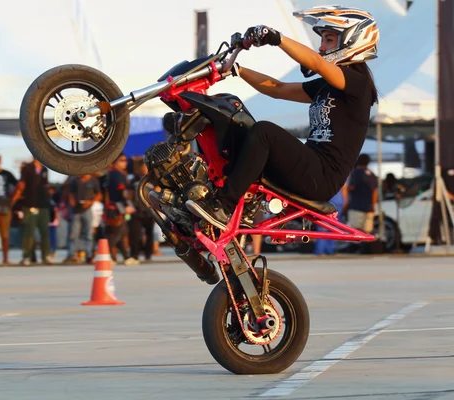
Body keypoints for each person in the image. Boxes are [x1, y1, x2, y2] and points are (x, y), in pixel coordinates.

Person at [186, 6, 380, 229]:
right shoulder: (326, 86)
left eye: (328, 39)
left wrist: (276, 38)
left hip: (322, 176)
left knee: (265, 132)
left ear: (352, 41)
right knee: (240, 126)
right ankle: (206, 195)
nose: (321, 47)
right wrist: (236, 70)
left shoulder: (358, 85)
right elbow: (277, 88)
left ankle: (223, 207)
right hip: (310, 165)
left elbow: (317, 63)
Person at [11, 158, 54, 266]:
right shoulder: (27, 168)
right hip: (29, 204)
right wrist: (14, 200)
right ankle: (27, 256)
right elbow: (21, 185)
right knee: (28, 232)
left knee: (45, 232)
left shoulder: (44, 169)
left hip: (43, 205)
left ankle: (46, 256)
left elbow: (46, 186)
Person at [103, 154, 140, 266]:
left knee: (122, 232)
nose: (125, 163)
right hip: (117, 208)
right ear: (114, 163)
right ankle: (106, 255)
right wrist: (126, 205)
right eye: (121, 161)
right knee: (117, 234)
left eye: (125, 160)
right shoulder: (117, 175)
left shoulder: (110, 175)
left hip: (113, 207)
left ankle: (126, 257)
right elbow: (121, 193)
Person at [64, 174, 102, 264]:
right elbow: (70, 194)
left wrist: (91, 202)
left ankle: (89, 254)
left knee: (88, 233)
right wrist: (72, 202)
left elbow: (99, 194)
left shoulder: (93, 181)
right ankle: (72, 255)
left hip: (88, 209)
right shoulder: (74, 180)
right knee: (74, 233)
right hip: (76, 210)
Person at [128, 159, 155, 261]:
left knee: (149, 234)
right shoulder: (134, 179)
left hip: (149, 210)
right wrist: (130, 205)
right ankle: (134, 254)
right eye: (143, 166)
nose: (144, 169)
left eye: (146, 167)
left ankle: (148, 254)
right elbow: (129, 193)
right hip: (137, 210)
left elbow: (158, 192)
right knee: (135, 234)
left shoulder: (153, 179)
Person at [344, 154, 378, 234]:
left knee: (355, 231)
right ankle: (365, 246)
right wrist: (373, 206)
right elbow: (375, 192)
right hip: (369, 207)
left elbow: (351, 187)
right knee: (367, 232)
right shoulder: (372, 174)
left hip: (356, 206)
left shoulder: (356, 173)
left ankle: (357, 246)